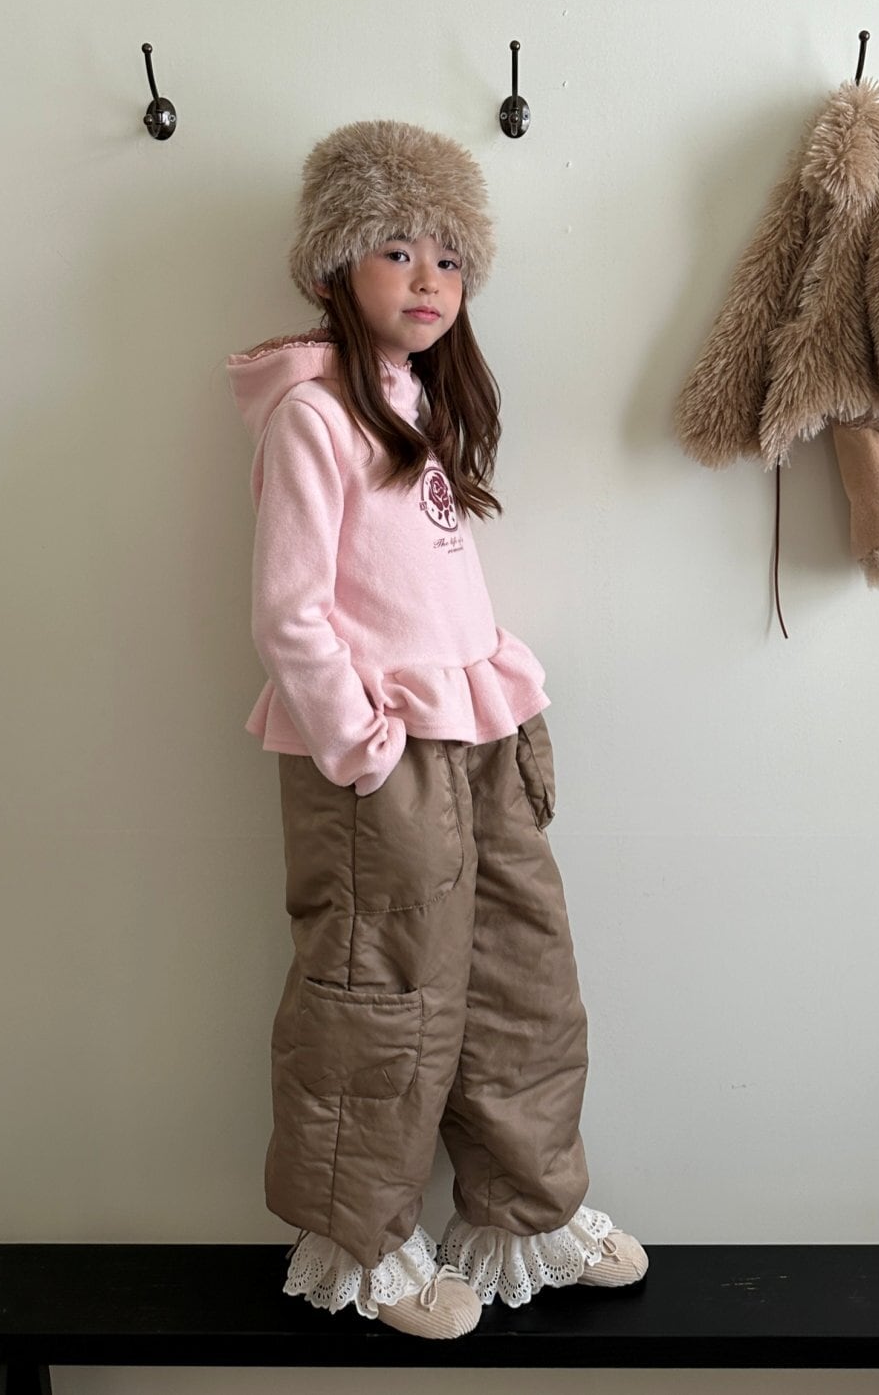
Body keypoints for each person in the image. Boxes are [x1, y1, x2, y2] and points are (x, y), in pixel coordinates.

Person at [226, 118, 647, 1340]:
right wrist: (359, 744)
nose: (428, 278)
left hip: (476, 733)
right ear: (334, 261)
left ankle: (523, 1209)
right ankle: (361, 1242)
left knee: (522, 973)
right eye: (398, 250)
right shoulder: (314, 415)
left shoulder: (419, 400)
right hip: (380, 756)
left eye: (450, 258)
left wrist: (496, 702)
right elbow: (288, 609)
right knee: (379, 996)